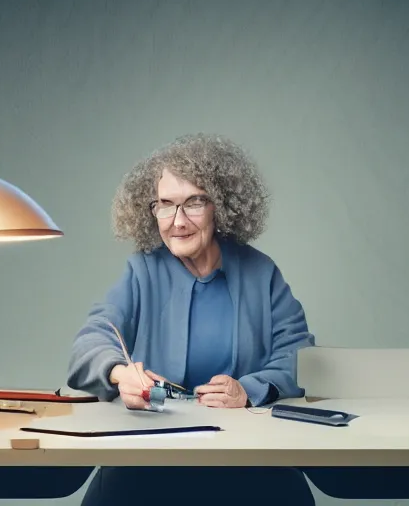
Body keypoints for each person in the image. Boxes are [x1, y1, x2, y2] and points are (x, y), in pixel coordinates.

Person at [67, 133, 316, 505]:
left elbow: (300, 356)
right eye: (165, 204)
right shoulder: (141, 270)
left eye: (193, 203)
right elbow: (90, 343)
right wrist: (122, 375)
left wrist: (247, 389)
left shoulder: (261, 272)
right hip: (150, 460)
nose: (177, 221)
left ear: (222, 206)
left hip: (248, 461)